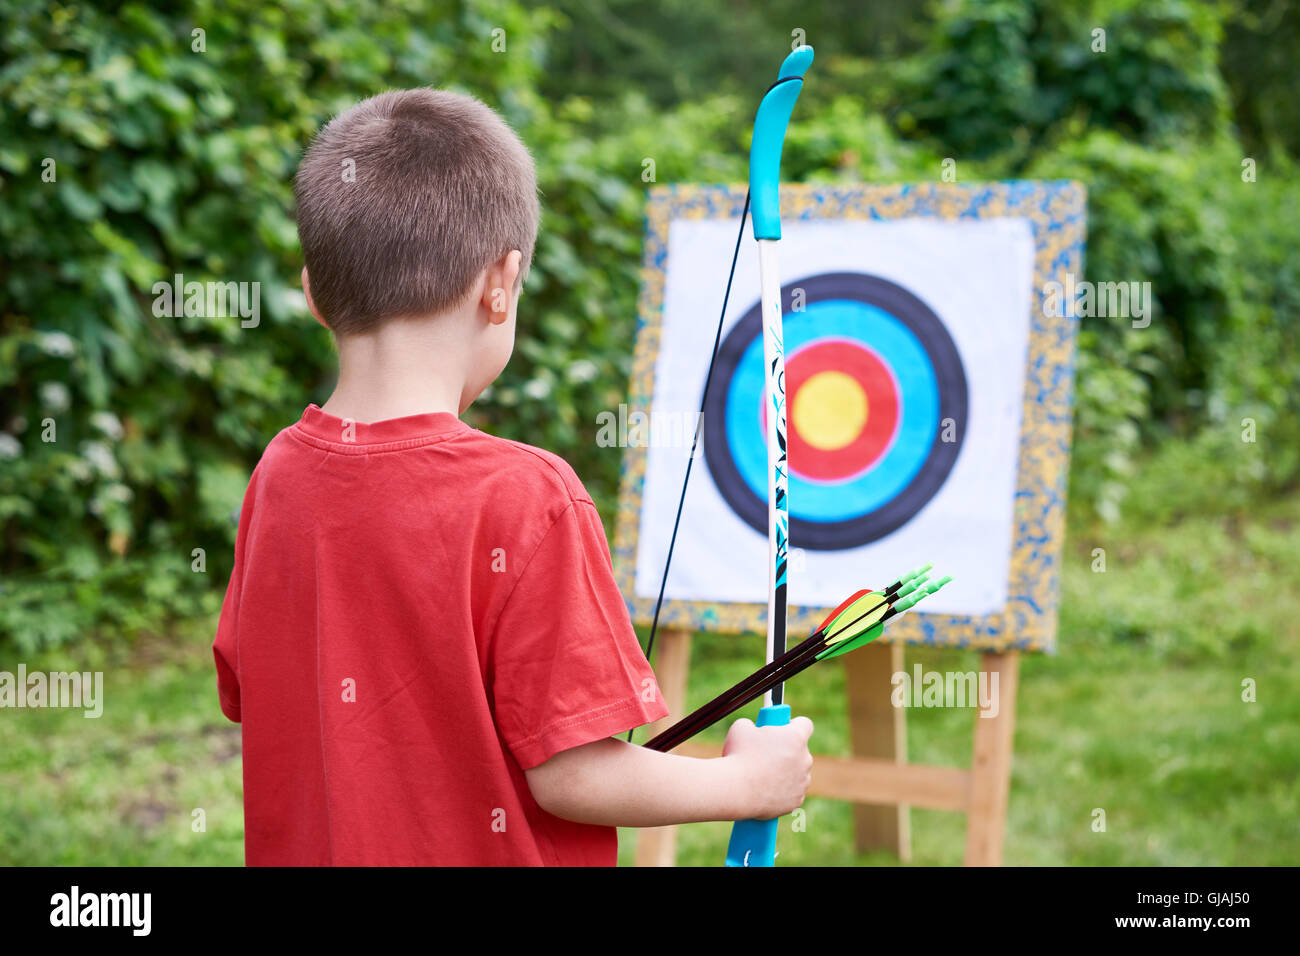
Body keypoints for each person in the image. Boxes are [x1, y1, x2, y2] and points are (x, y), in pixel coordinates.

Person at [212, 88, 813, 865]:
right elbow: (572, 775)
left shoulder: (279, 474)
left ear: (314, 293)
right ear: (502, 282)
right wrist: (748, 787)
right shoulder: (528, 498)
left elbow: (250, 692)